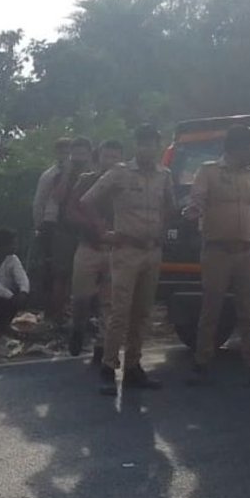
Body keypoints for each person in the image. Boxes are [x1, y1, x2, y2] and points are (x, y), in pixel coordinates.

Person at [81, 124, 176, 396]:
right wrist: (103, 231)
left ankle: (134, 367)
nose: (148, 148)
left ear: (159, 146)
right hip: (126, 251)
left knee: (143, 313)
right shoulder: (120, 173)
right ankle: (108, 369)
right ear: (137, 146)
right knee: (119, 313)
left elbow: (170, 207)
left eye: (152, 143)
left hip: (152, 252)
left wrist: (159, 230)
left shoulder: (164, 175)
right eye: (143, 143)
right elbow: (86, 201)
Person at [183, 124, 250, 388]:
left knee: (248, 313)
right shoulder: (208, 171)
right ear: (238, 148)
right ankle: (201, 363)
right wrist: (193, 210)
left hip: (248, 251)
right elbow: (197, 198)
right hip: (217, 251)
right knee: (211, 310)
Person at [64, 139, 124, 362]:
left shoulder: (127, 183)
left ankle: (103, 347)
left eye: (116, 157)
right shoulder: (86, 180)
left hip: (115, 249)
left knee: (109, 303)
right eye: (107, 156)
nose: (111, 161)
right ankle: (78, 329)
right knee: (81, 298)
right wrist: (93, 225)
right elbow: (71, 211)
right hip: (88, 246)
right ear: (99, 158)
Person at [50, 136, 94, 324]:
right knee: (62, 275)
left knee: (89, 277)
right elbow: (57, 198)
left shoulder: (95, 175)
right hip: (65, 231)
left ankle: (85, 319)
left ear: (89, 155)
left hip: (89, 232)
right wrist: (68, 173)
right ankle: (57, 318)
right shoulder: (60, 175)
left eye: (82, 153)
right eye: (75, 153)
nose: (78, 157)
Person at [32, 138, 72, 319]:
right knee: (54, 270)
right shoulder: (49, 175)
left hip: (72, 224)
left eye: (68, 151)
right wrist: (38, 226)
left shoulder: (82, 174)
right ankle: (53, 312)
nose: (65, 155)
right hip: (52, 223)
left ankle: (66, 309)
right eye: (62, 151)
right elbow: (39, 202)